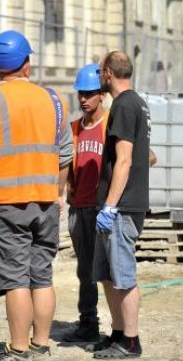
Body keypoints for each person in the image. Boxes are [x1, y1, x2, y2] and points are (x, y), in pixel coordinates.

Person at [0, 30, 73, 361]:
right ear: (27, 61)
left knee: (15, 280)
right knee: (42, 276)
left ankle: (19, 354)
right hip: (45, 203)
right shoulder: (53, 99)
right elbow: (65, 153)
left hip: (7, 206)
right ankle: (41, 349)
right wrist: (59, 192)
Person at [91, 51, 151, 359]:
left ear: (109, 73)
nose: (98, 75)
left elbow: (124, 159)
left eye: (101, 70)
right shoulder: (133, 102)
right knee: (107, 273)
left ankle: (130, 340)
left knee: (123, 274)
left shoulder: (126, 105)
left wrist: (111, 205)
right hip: (118, 204)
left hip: (122, 207)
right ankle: (117, 333)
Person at [63, 63, 108, 343]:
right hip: (79, 208)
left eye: (89, 94)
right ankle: (88, 322)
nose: (83, 99)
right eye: (81, 94)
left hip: (103, 210)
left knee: (106, 269)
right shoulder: (73, 129)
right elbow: (64, 163)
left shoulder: (111, 126)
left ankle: (121, 331)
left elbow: (143, 157)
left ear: (101, 94)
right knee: (84, 269)